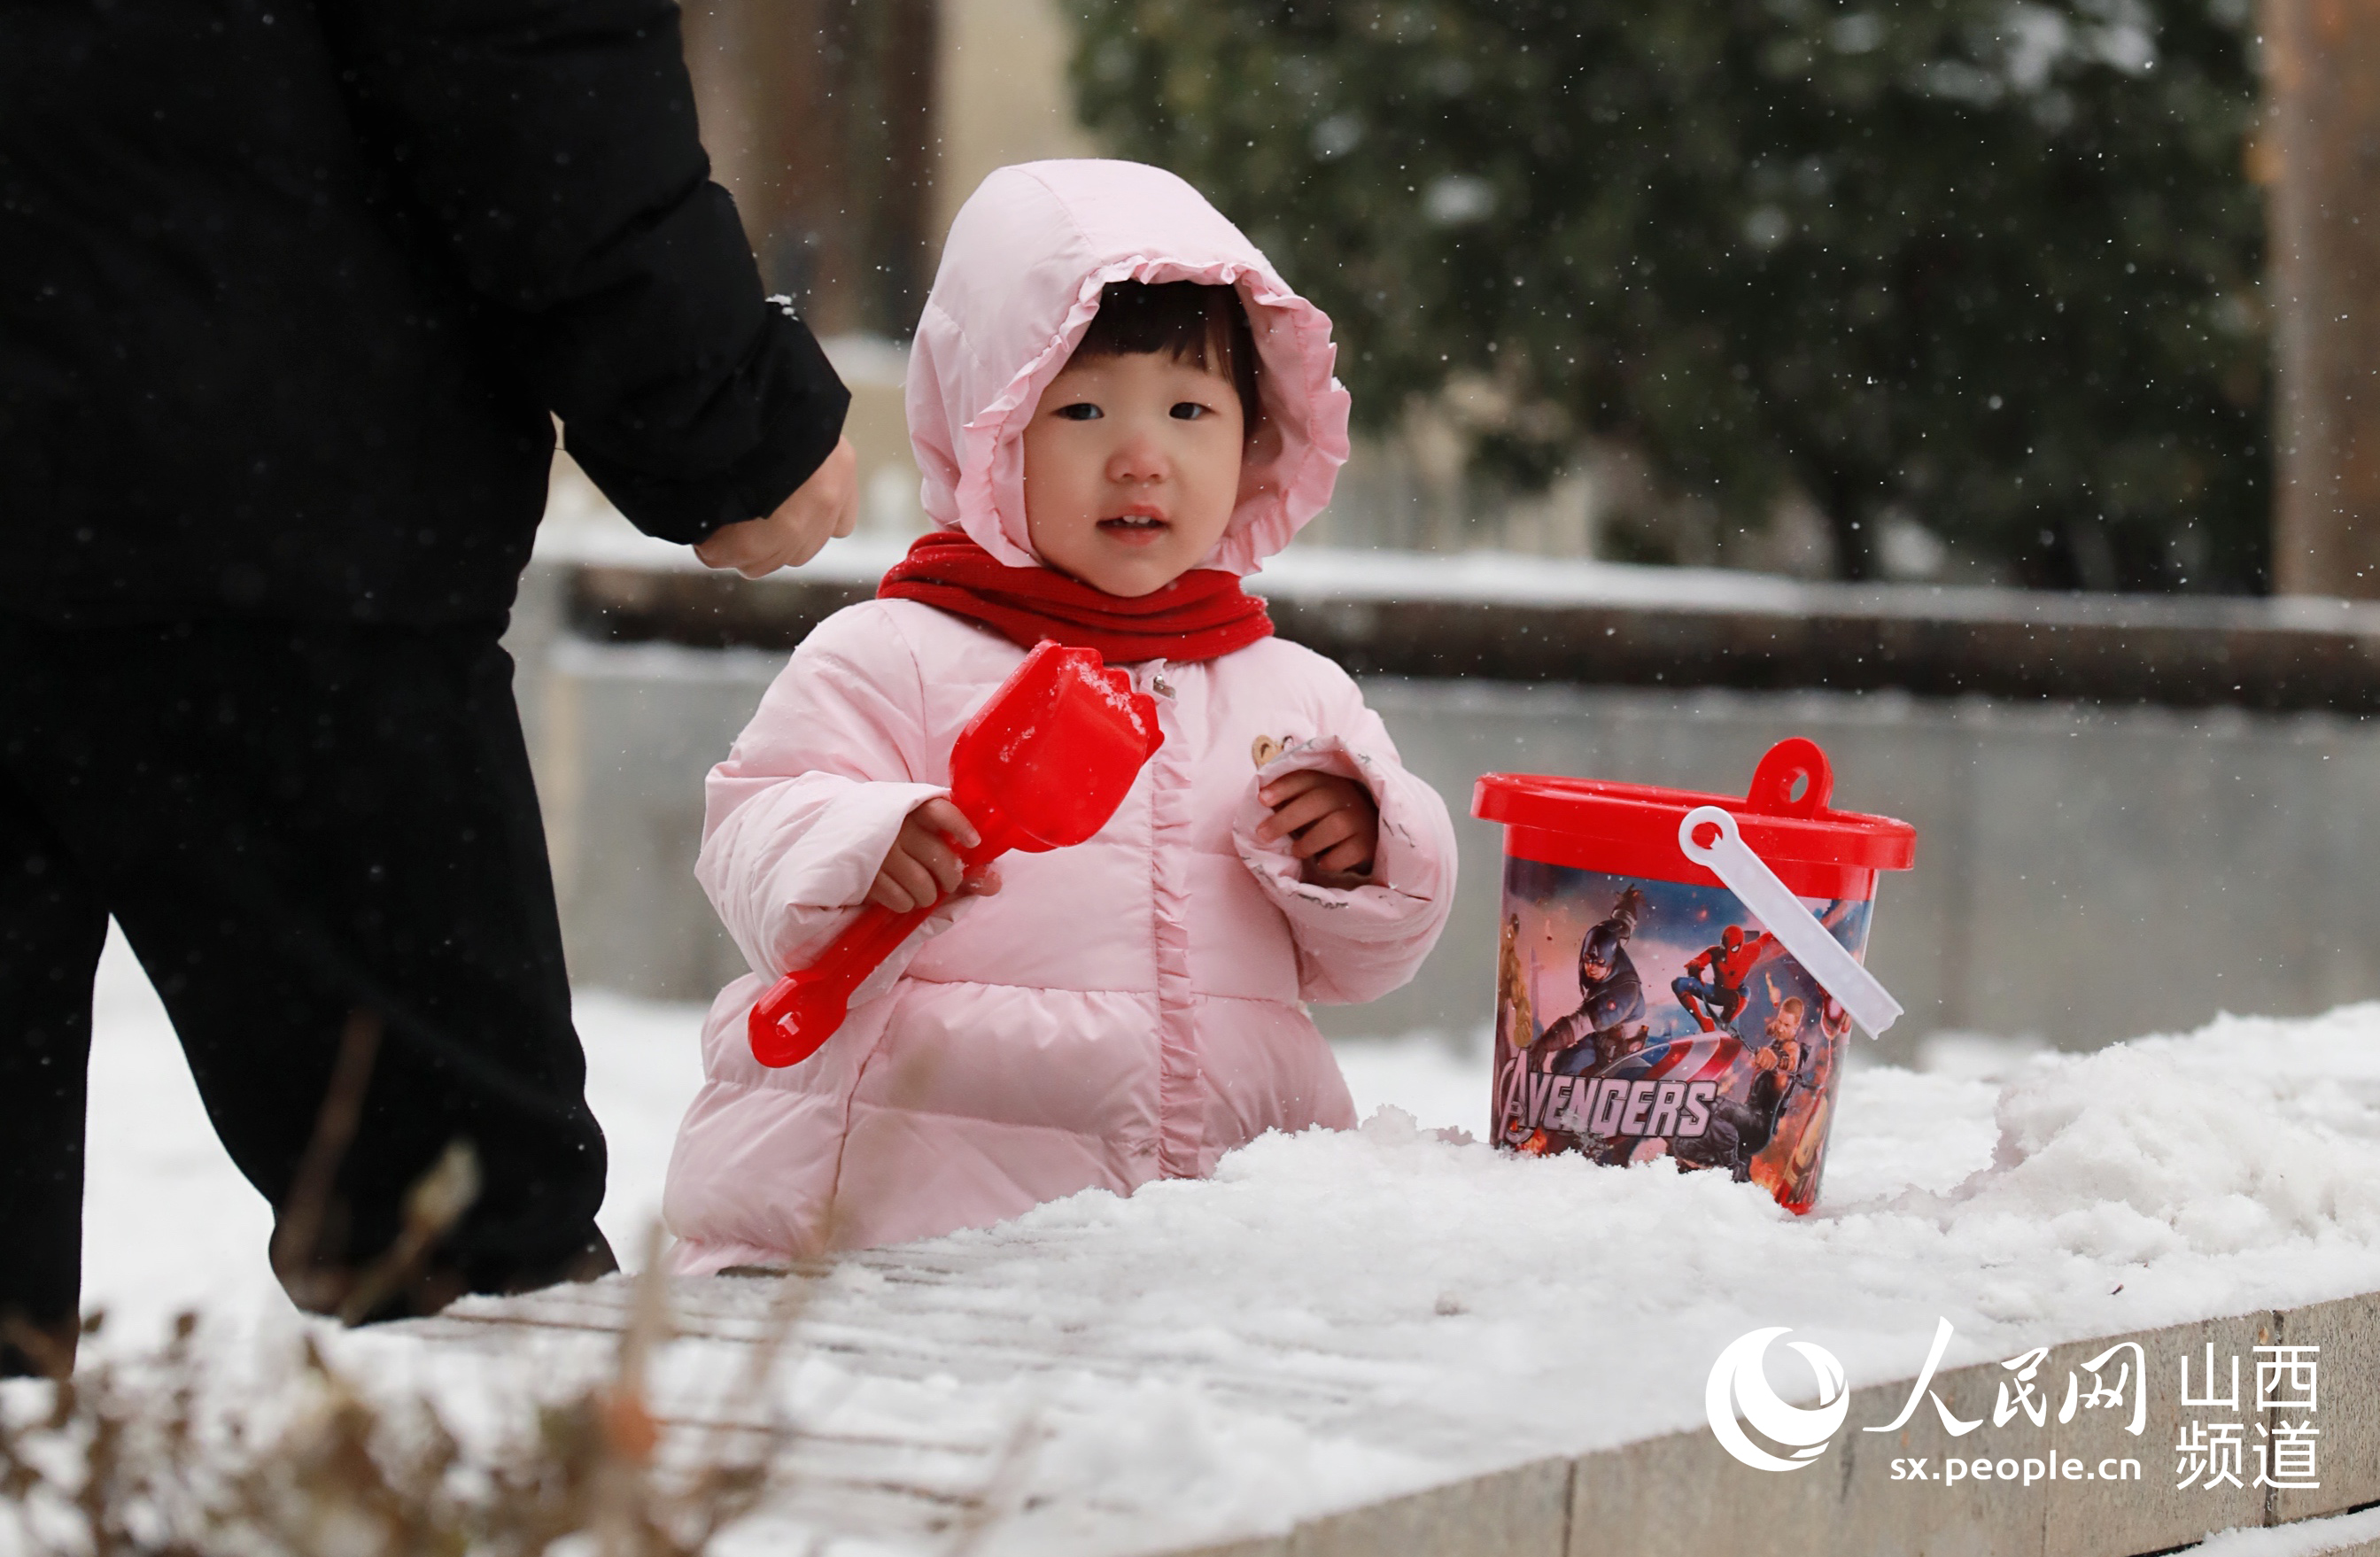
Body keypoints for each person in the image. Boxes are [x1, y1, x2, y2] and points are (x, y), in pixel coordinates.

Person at [0, 3, 857, 1375]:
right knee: (465, 1254)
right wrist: (721, 414)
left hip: (196, 460)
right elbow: (520, 55)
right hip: (245, 511)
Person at [660, 160, 1460, 1267]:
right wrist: (857, 844)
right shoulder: (899, 652)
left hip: (1219, 1237)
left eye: (1189, 410)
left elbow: (1375, 961)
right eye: (1080, 409)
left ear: (1254, 438)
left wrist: (1367, 853)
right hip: (901, 1219)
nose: (1141, 457)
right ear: (988, 436)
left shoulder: (1292, 692)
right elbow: (752, 826)